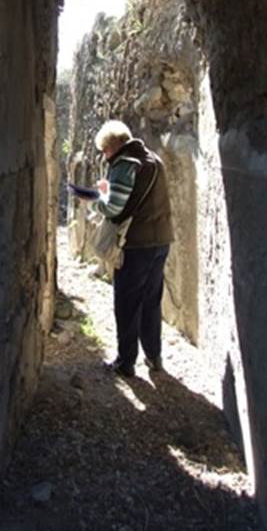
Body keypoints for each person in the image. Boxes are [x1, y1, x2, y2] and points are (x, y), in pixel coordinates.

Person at [92, 119, 174, 378]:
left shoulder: (125, 164)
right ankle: (154, 356)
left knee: (126, 302)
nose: (104, 156)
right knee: (151, 300)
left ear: (114, 145)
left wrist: (97, 199)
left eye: (105, 150)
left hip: (136, 244)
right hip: (161, 240)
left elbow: (114, 207)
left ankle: (126, 361)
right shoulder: (153, 160)